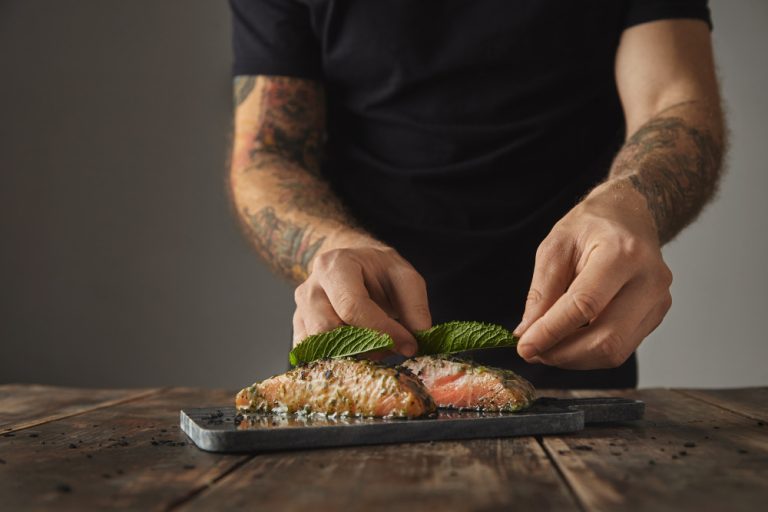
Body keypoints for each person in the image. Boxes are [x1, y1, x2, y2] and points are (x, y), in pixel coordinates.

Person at [227, 0, 724, 388]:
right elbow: (270, 153)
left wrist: (632, 201)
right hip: (364, 349)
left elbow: (674, 102)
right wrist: (327, 247)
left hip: (582, 335)